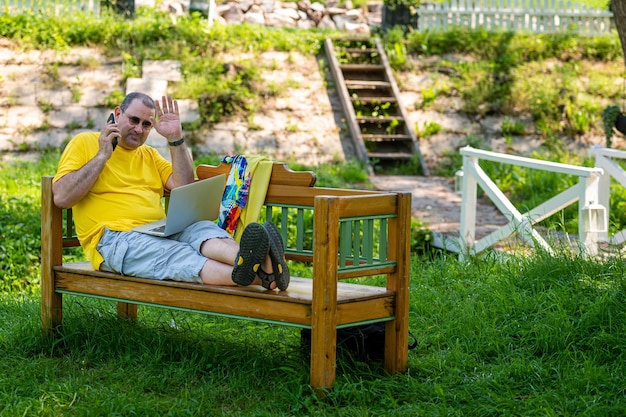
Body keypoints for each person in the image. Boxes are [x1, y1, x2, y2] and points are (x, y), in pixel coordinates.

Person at [52, 92, 289, 291]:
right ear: (116, 114)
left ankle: (254, 262)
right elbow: (62, 197)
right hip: (115, 240)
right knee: (177, 255)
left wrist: (176, 138)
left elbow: (184, 186)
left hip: (158, 230)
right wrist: (103, 155)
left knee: (200, 229)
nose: (139, 129)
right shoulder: (85, 143)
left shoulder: (149, 156)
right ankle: (264, 273)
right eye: (133, 120)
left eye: (147, 125)